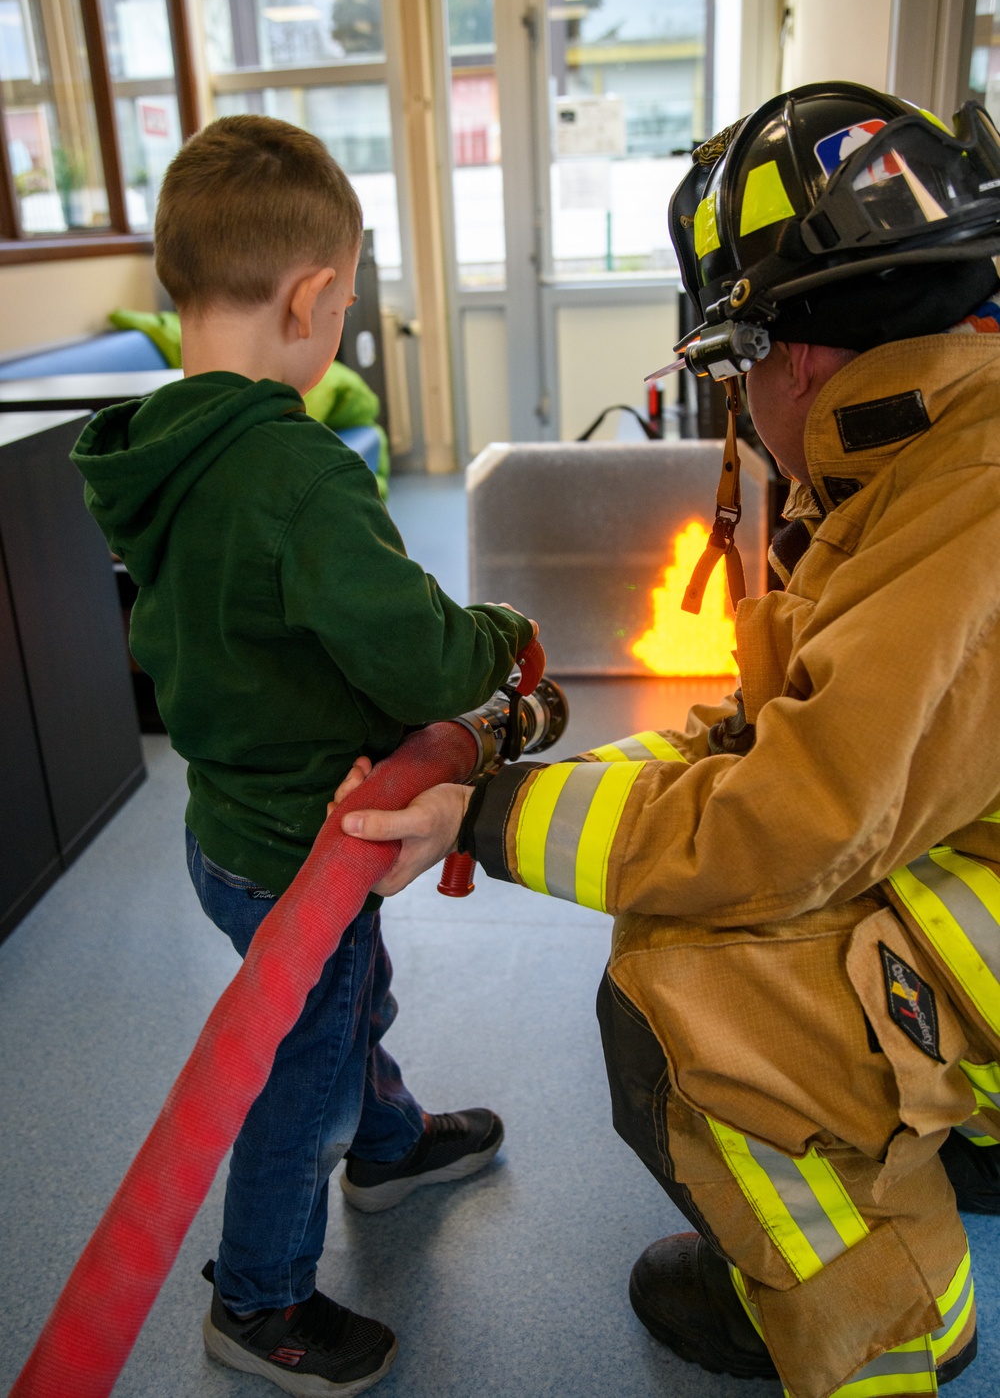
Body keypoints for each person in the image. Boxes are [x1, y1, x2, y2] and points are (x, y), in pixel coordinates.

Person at [337, 83, 1000, 1398]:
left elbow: (784, 821)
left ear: (788, 356)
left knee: (694, 989)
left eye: (734, 368)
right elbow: (765, 740)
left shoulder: (960, 513)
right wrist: (500, 787)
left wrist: (488, 820)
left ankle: (893, 1328)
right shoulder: (922, 460)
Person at [71, 115, 535, 1396]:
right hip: (304, 852)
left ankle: (389, 1147)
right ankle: (260, 1296)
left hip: (222, 828)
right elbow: (424, 660)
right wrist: (502, 633)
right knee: (302, 1070)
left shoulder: (161, 448)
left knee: (338, 1011)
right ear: (317, 297)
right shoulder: (295, 470)